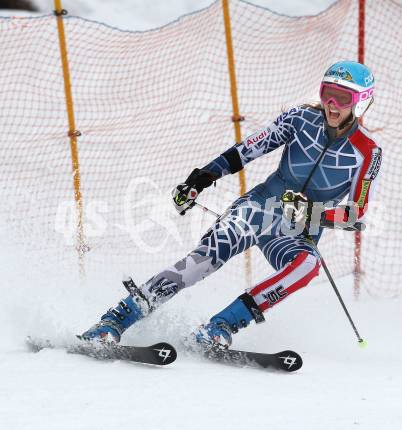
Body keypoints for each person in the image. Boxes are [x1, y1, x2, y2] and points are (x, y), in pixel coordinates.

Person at [81, 60, 382, 349]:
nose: (332, 104)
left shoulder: (368, 151)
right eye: (327, 94)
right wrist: (202, 178)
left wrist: (311, 213)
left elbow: (354, 214)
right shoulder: (299, 119)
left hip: (296, 233)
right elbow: (247, 150)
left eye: (342, 98)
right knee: (207, 256)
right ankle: (117, 319)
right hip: (260, 208)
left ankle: (222, 326)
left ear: (361, 102)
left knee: (306, 266)